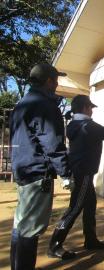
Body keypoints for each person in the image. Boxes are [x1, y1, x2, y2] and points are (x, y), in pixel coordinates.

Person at [48, 95, 104, 259]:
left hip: (81, 172)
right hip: (84, 173)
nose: (92, 110)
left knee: (90, 205)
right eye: (91, 107)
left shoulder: (75, 124)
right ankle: (55, 245)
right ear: (85, 108)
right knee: (74, 209)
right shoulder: (88, 125)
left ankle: (91, 240)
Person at [10, 63, 73, 270]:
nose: (57, 85)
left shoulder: (22, 104)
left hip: (22, 171)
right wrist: (66, 173)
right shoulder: (45, 105)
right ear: (48, 81)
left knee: (21, 226)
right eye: (56, 81)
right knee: (31, 230)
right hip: (37, 174)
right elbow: (53, 144)